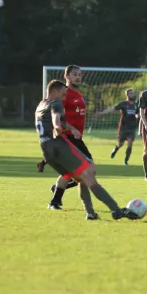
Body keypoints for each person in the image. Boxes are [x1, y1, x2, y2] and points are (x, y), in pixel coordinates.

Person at [35, 79, 137, 220]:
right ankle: (116, 210)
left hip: (48, 152)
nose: (65, 97)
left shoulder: (41, 105)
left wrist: (71, 128)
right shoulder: (55, 103)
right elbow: (56, 117)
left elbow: (58, 121)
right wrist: (57, 126)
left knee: (81, 179)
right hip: (60, 147)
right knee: (89, 174)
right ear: (56, 91)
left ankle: (90, 213)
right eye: (64, 94)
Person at [39, 65, 92, 209]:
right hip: (68, 137)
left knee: (79, 171)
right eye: (75, 74)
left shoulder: (78, 94)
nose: (78, 77)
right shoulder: (64, 94)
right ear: (67, 76)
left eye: (80, 74)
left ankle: (56, 197)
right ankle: (56, 199)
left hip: (76, 138)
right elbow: (55, 115)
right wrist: (67, 128)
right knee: (85, 169)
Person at [95, 88, 138, 165]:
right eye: (130, 93)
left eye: (133, 93)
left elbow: (138, 113)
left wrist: (137, 116)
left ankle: (126, 161)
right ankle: (115, 149)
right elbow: (112, 109)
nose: (132, 95)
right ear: (127, 95)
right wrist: (102, 113)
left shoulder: (135, 105)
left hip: (132, 128)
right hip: (123, 128)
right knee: (120, 144)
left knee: (130, 144)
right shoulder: (123, 104)